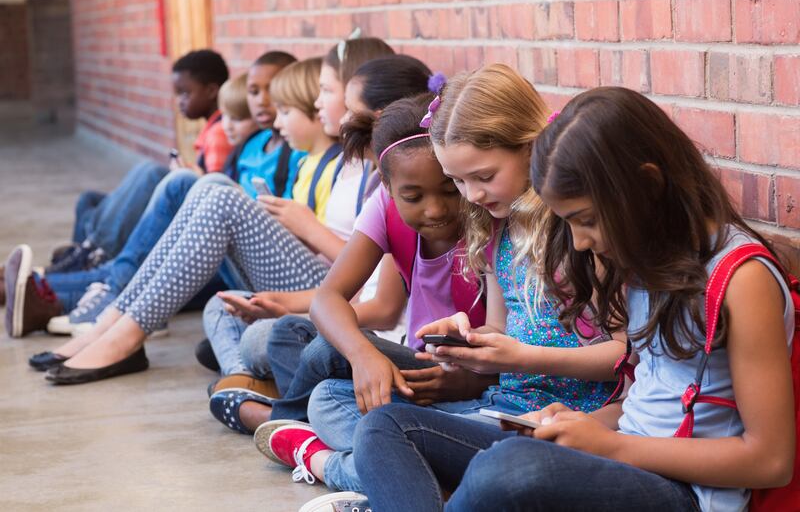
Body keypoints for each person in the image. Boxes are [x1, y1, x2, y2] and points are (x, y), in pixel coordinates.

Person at [352, 86, 796, 512]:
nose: (580, 243)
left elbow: (771, 461)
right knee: (387, 427)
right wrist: (579, 427)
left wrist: (612, 444)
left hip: (683, 493)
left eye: (585, 220)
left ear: (648, 185)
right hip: (619, 452)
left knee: (506, 470)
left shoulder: (741, 278)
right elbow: (648, 399)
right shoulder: (650, 260)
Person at [279, 66, 623, 511]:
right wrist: (471, 343)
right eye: (460, 181)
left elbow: (625, 357)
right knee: (333, 399)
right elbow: (501, 332)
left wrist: (522, 357)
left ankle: (343, 469)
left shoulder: (577, 232)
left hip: (559, 418)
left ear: (530, 146)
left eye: (481, 177)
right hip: (503, 404)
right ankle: (416, 482)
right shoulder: (500, 229)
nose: (471, 196)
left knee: (384, 431)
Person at [30, 57, 338, 382]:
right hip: (292, 276)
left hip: (325, 290)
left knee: (219, 198)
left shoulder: (349, 167)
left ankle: (119, 330)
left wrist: (307, 227)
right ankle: (113, 320)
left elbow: (367, 266)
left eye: (326, 93)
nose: (274, 115)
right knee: (206, 184)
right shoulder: (306, 162)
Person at [204, 55, 433, 426]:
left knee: (279, 341)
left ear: (380, 117)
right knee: (231, 316)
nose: (340, 119)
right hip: (360, 329)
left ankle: (285, 412)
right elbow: (334, 294)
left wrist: (308, 234)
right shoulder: (383, 191)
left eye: (345, 106)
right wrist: (288, 306)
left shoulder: (404, 195)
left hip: (388, 338)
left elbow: (384, 308)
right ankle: (270, 393)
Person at [7, 51, 298, 339]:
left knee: (165, 194)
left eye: (271, 92)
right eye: (254, 91)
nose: (262, 100)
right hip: (221, 246)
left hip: (248, 263)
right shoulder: (253, 144)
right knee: (124, 257)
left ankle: (40, 287)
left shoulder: (296, 153)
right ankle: (38, 290)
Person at [52, 49, 233, 273]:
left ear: (211, 90)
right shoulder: (211, 129)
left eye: (185, 93)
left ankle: (95, 253)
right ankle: (84, 256)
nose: (179, 102)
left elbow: (217, 188)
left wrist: (188, 175)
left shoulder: (219, 133)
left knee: (153, 173)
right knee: (88, 200)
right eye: (177, 94)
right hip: (192, 204)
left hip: (198, 218)